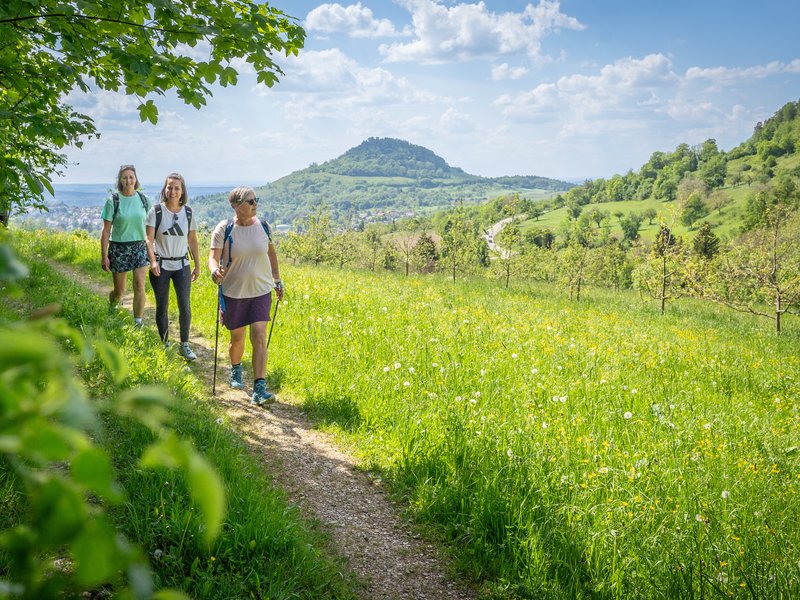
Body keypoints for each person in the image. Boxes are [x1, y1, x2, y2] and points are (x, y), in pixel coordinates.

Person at [208, 186, 284, 405]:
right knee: (237, 337)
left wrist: (277, 280)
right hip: (234, 291)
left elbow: (271, 256)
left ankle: (259, 388)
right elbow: (213, 258)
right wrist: (214, 271)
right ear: (236, 205)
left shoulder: (264, 227)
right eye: (250, 201)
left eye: (255, 200)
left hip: (261, 290)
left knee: (259, 335)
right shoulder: (225, 229)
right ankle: (236, 368)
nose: (255, 204)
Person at [145, 173, 200, 360]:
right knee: (162, 306)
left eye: (177, 188)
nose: (173, 191)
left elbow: (192, 240)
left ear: (182, 190)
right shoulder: (156, 212)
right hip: (160, 265)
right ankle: (165, 342)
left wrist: (197, 265)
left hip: (182, 264)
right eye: (169, 187)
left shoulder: (189, 213)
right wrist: (152, 260)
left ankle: (185, 344)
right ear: (164, 189)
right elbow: (149, 239)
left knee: (185, 305)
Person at [100, 164, 151, 326]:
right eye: (125, 177)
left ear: (136, 180)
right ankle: (113, 304)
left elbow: (151, 228)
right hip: (119, 248)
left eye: (131, 177)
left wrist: (153, 251)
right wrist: (104, 255)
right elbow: (106, 231)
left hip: (139, 247)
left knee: (139, 285)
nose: (128, 180)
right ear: (120, 180)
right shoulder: (112, 201)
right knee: (120, 290)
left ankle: (138, 322)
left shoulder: (144, 200)